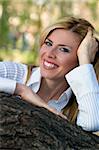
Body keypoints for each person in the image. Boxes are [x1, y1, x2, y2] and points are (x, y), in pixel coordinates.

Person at [0, 17, 99, 132]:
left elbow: (92, 123)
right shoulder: (18, 74)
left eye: (64, 49)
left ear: (79, 59)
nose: (50, 54)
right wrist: (21, 89)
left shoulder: (80, 103)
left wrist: (85, 61)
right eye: (48, 43)